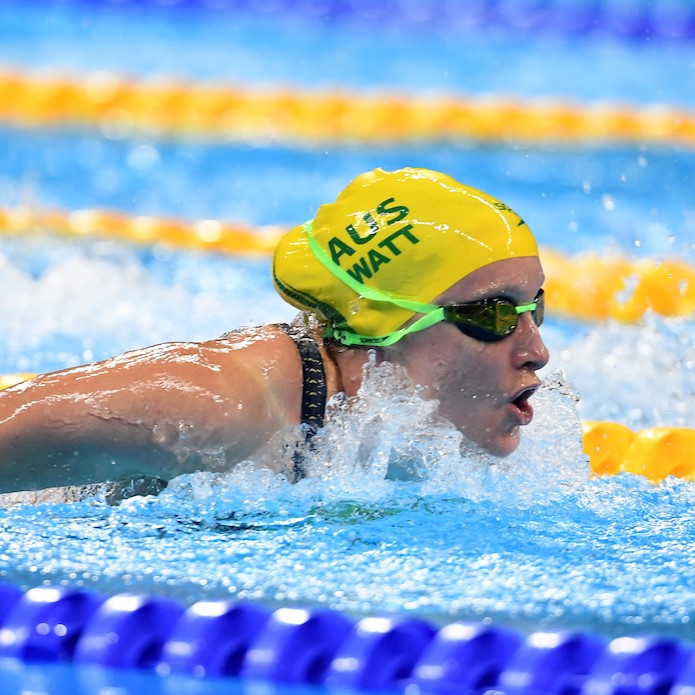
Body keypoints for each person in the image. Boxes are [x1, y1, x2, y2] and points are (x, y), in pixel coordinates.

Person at [0, 167, 549, 498]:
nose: (536, 351)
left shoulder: (390, 427)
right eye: (494, 313)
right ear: (383, 325)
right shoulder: (213, 406)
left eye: (534, 308)